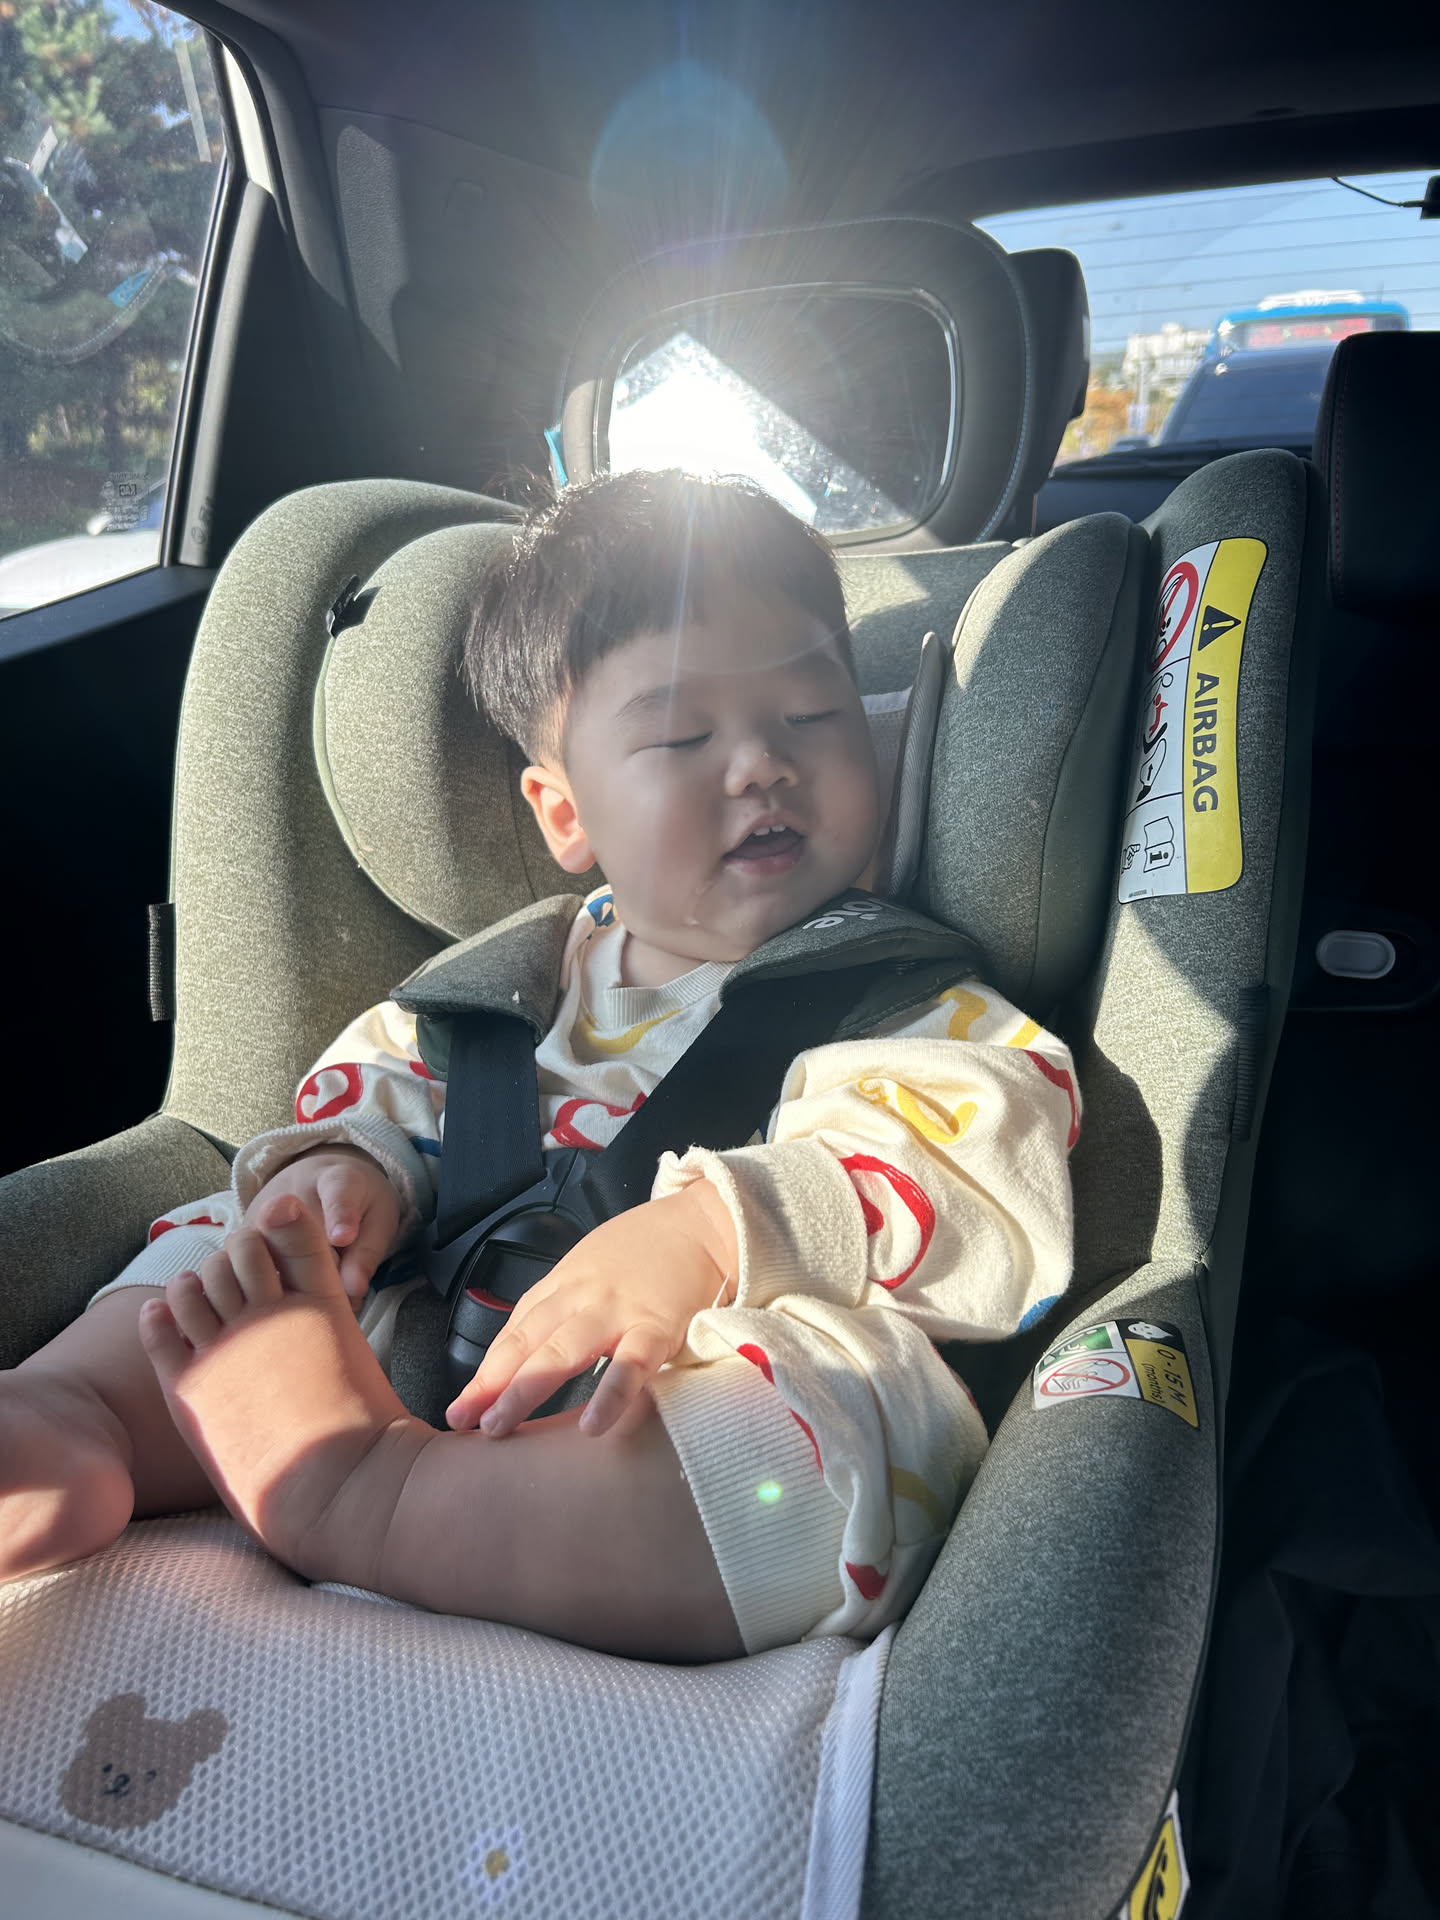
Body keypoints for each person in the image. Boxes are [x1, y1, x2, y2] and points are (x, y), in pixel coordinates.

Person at [0, 471, 1079, 1661]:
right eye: (683, 735)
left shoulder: (913, 1004)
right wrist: (341, 1174)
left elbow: (974, 1178)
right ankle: (76, 1413)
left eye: (813, 714)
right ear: (565, 815)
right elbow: (374, 1086)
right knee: (230, 1243)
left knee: (863, 1424)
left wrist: (706, 1236)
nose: (761, 764)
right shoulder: (494, 991)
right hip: (415, 1346)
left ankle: (374, 1500)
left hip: (654, 1406)